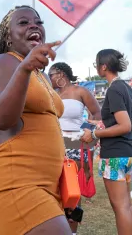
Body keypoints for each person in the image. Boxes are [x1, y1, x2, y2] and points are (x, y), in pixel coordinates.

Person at [0, 6, 72, 235]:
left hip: (46, 185)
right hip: (16, 183)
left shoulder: (42, 74)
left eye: (38, 22)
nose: (34, 25)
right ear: (8, 37)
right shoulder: (3, 64)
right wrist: (24, 68)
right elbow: (1, 119)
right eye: (23, 22)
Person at [81, 49, 132, 235]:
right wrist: (97, 125)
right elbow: (130, 122)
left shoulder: (114, 89)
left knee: (120, 207)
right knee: (127, 205)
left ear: (103, 66)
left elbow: (125, 125)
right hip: (128, 153)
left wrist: (95, 134)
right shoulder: (126, 87)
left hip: (114, 154)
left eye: (96, 64)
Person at [49, 62, 101, 233]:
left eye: (52, 74)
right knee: (55, 188)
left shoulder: (80, 91)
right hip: (54, 144)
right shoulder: (52, 94)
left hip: (75, 144)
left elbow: (98, 114)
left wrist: (90, 132)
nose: (50, 78)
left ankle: (72, 231)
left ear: (62, 74)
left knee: (72, 189)